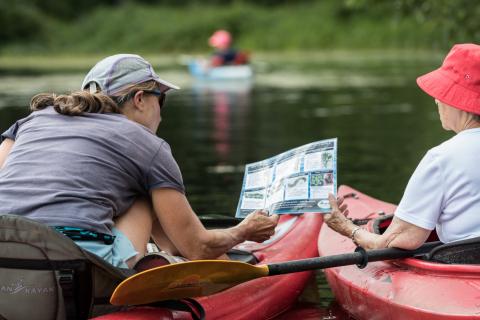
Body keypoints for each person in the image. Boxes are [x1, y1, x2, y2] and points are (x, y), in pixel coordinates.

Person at [0, 53, 279, 269]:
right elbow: (198, 247)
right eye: (162, 100)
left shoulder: (30, 122)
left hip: (6, 259)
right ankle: (172, 263)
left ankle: (165, 253)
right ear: (139, 99)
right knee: (144, 196)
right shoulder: (149, 145)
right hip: (75, 274)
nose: (162, 113)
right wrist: (244, 231)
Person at [324, 43, 480, 250]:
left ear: (457, 101)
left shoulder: (442, 158)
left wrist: (347, 228)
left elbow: (389, 245)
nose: (436, 100)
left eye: (443, 93)